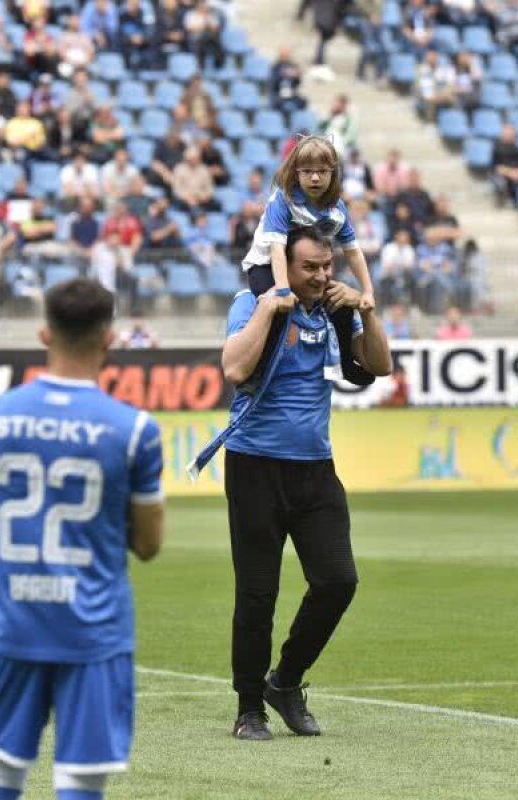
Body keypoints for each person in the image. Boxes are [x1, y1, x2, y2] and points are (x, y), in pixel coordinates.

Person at [0, 278, 164, 800]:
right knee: (80, 780)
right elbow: (149, 546)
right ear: (109, 339)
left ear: (44, 333)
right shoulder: (134, 430)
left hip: (16, 626)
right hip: (94, 634)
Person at [217, 227, 392, 740]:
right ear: (284, 267)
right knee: (257, 594)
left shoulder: (333, 310)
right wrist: (270, 307)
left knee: (338, 581)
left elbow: (379, 365)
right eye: (309, 267)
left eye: (326, 266)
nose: (320, 276)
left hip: (315, 469)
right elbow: (234, 368)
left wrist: (366, 310)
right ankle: (250, 708)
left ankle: (286, 680)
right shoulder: (250, 303)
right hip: (254, 466)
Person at [240, 136, 378, 390]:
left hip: (303, 272)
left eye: (322, 172)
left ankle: (346, 363)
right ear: (296, 172)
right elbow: (277, 249)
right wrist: (283, 291)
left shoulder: (337, 208)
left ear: (333, 173)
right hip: (267, 267)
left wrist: (367, 291)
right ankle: (258, 372)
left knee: (341, 303)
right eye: (307, 172)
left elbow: (353, 251)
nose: (315, 178)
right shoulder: (283, 200)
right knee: (277, 312)